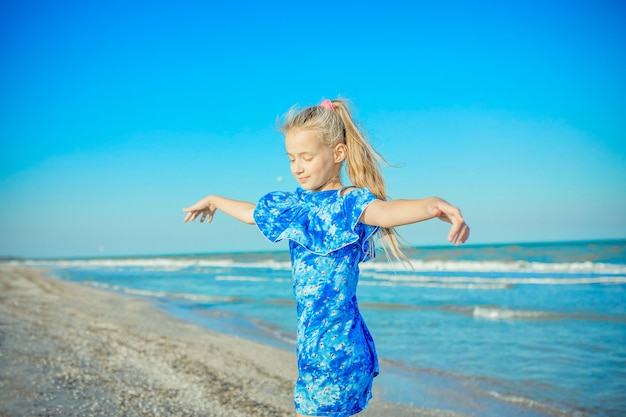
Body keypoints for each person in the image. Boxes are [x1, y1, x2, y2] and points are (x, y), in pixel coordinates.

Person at [183, 98, 470, 417]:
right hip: (310, 344)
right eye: (292, 158)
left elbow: (387, 212)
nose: (297, 167)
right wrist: (214, 200)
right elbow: (252, 214)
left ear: (338, 153)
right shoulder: (293, 206)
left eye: (306, 157)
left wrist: (431, 205)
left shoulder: (349, 202)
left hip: (339, 348)